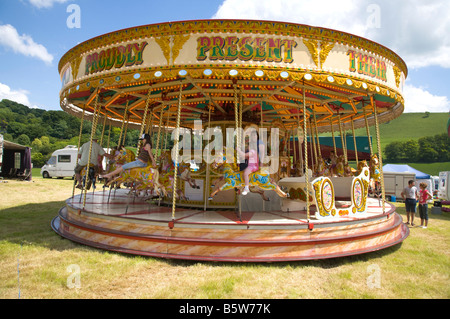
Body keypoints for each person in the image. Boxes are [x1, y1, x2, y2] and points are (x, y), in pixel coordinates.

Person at [237, 128, 264, 196]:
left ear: (257, 136)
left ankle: (246, 187)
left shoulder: (259, 143)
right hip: (250, 160)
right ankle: (242, 184)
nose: (253, 137)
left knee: (246, 172)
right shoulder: (251, 144)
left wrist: (261, 163)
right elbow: (246, 155)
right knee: (241, 166)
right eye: (252, 136)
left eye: (254, 135)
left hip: (254, 163)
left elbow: (262, 153)